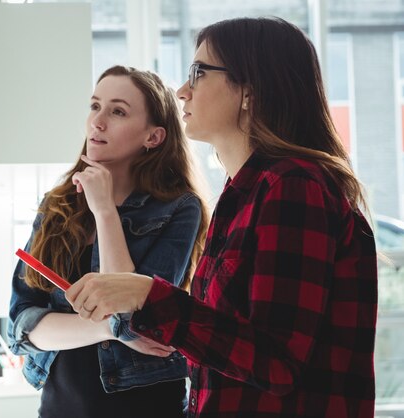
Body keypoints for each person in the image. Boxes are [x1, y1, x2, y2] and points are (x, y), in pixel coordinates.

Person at [67, 17, 378, 418]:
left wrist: (148, 294)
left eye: (198, 72)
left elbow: (276, 362)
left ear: (249, 89)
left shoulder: (294, 186)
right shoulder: (241, 195)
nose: (182, 91)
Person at [7, 65, 210, 418]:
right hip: (60, 409)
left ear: (154, 137)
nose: (97, 122)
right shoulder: (56, 205)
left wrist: (104, 211)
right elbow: (23, 325)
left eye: (117, 111)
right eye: (94, 106)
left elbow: (135, 315)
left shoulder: (180, 208)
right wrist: (107, 329)